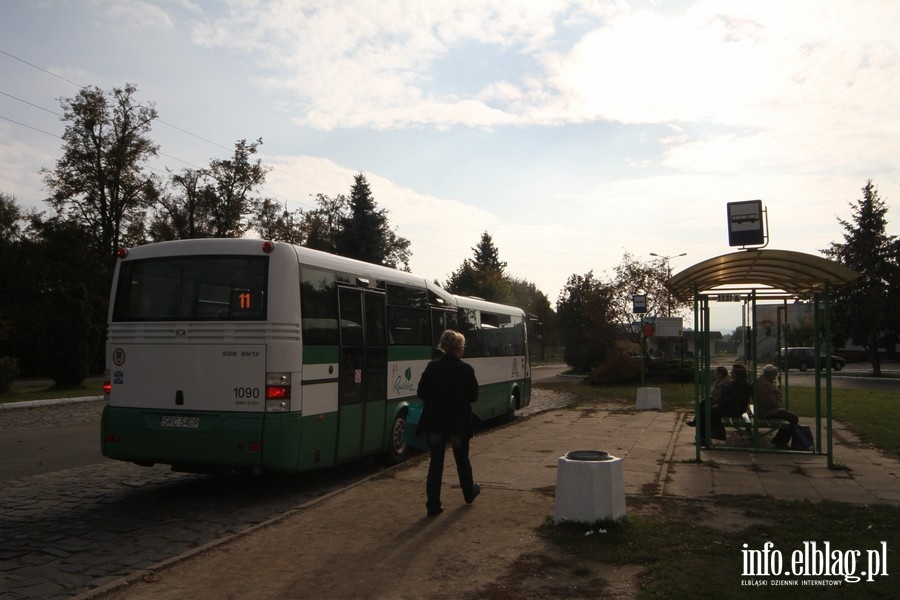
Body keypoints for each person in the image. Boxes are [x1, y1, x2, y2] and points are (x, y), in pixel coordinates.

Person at [416, 330, 481, 516]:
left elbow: (422, 393)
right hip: (458, 423)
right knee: (462, 459)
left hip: (435, 421)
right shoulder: (466, 369)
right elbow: (473, 396)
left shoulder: (432, 367)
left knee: (436, 462)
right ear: (458, 348)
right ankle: (469, 492)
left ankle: (433, 505)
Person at [688, 363, 751, 444]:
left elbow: (732, 400)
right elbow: (728, 397)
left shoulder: (742, 385)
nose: (731, 373)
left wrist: (719, 404)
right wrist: (718, 402)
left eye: (732, 372)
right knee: (705, 407)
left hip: (736, 410)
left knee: (706, 413)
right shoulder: (737, 383)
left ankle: (706, 437)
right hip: (732, 407)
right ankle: (703, 435)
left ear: (737, 374)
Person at [756, 364, 799, 450]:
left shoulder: (765, 382)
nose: (775, 377)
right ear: (770, 374)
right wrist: (777, 399)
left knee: (790, 416)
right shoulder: (765, 385)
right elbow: (769, 403)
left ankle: (780, 439)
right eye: (774, 375)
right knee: (793, 418)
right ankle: (780, 440)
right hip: (767, 411)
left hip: (766, 410)